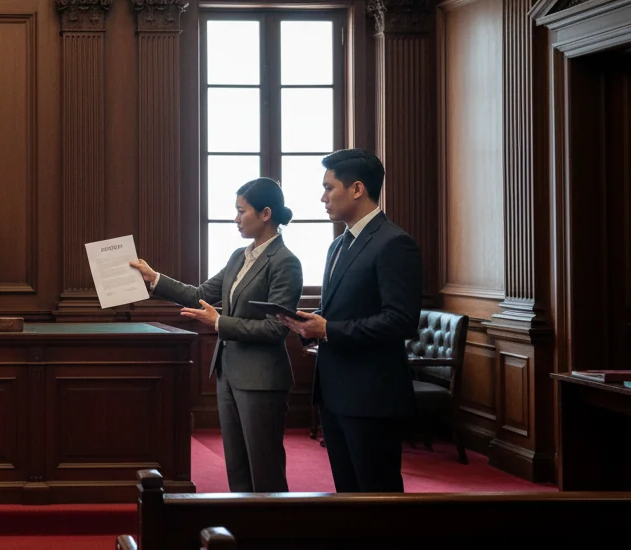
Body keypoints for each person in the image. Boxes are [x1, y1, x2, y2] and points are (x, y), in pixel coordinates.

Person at [129, 178, 302, 493]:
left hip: (262, 380)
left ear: (265, 213)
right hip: (229, 374)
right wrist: (154, 278)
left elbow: (277, 329)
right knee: (236, 465)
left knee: (265, 467)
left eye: (241, 211)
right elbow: (200, 294)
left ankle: (275, 536)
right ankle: (243, 531)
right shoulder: (239, 255)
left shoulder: (285, 262)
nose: (235, 218)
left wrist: (220, 323)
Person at [279, 148, 421, 493]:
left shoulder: (394, 243)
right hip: (334, 390)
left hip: (372, 395)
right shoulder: (339, 245)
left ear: (357, 189)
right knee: (347, 493)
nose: (323, 197)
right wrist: (311, 324)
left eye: (329, 188)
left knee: (378, 493)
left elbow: (401, 321)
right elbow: (345, 310)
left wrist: (329, 329)